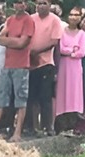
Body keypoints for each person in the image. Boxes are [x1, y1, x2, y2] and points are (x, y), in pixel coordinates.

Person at [0, 0, 36, 136]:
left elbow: (23, 43)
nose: (17, 5)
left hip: (21, 65)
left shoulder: (28, 20)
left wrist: (10, 41)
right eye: (15, 2)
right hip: (7, 64)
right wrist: (16, 40)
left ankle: (17, 133)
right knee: (1, 98)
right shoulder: (10, 20)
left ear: (25, 4)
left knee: (20, 99)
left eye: (20, 2)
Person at [27, 0, 64, 134]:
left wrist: (37, 51)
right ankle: (33, 127)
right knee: (32, 97)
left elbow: (54, 41)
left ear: (49, 5)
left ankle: (48, 126)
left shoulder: (55, 20)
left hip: (46, 62)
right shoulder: (30, 19)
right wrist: (30, 53)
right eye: (39, 3)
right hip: (30, 63)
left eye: (44, 3)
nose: (41, 6)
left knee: (45, 97)